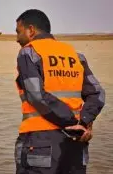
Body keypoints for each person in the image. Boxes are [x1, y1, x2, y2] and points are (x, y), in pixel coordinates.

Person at [14, 9, 105, 174]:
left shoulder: (29, 52)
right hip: (76, 144)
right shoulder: (76, 56)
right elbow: (97, 94)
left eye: (19, 32)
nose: (17, 38)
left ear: (31, 30)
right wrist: (82, 123)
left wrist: (72, 123)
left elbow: (36, 96)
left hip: (40, 142)